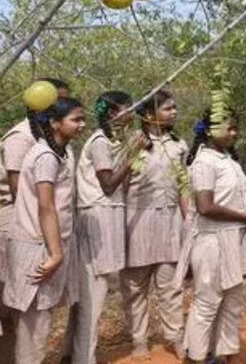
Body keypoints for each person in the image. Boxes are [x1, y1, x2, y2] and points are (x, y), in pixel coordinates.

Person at [182, 113, 246, 364]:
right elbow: (205, 207)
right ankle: (197, 357)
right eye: (229, 128)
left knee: (232, 303)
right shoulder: (204, 163)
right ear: (209, 131)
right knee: (207, 304)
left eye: (236, 128)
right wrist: (245, 217)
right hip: (212, 242)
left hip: (234, 239)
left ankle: (229, 356)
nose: (234, 133)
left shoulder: (229, 160)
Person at [4, 96, 83, 363]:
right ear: (54, 123)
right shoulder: (46, 157)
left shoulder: (52, 153)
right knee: (34, 328)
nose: (81, 125)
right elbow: (46, 208)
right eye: (75, 119)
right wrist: (56, 254)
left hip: (42, 245)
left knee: (37, 327)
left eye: (82, 119)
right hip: (39, 247)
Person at [70, 92, 146, 364]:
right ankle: (83, 358)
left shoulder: (112, 142)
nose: (133, 114)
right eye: (130, 109)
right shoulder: (100, 142)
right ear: (113, 112)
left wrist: (129, 153)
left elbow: (120, 187)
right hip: (97, 221)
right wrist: (133, 153)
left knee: (97, 297)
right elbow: (109, 185)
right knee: (93, 299)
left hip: (108, 220)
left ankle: (81, 356)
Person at [122, 89, 189, 358]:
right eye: (168, 108)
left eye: (174, 108)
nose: (174, 112)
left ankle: (175, 337)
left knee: (170, 285)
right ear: (149, 115)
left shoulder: (179, 145)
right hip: (137, 220)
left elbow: (184, 186)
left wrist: (189, 220)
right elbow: (121, 185)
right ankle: (138, 339)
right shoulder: (131, 142)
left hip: (170, 220)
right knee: (135, 287)